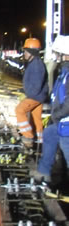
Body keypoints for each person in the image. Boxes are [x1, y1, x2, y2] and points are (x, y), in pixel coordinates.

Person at [32, 35, 69, 182]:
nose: (56, 57)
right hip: (61, 122)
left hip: (66, 124)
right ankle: (43, 172)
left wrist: (57, 115)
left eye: (58, 53)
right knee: (49, 134)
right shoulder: (64, 73)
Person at [15, 37, 48, 148]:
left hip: (35, 96)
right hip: (39, 96)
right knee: (36, 120)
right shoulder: (35, 63)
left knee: (19, 110)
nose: (24, 53)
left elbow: (36, 85)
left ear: (31, 52)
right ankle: (40, 142)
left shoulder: (36, 65)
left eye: (26, 51)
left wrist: (27, 95)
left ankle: (28, 136)